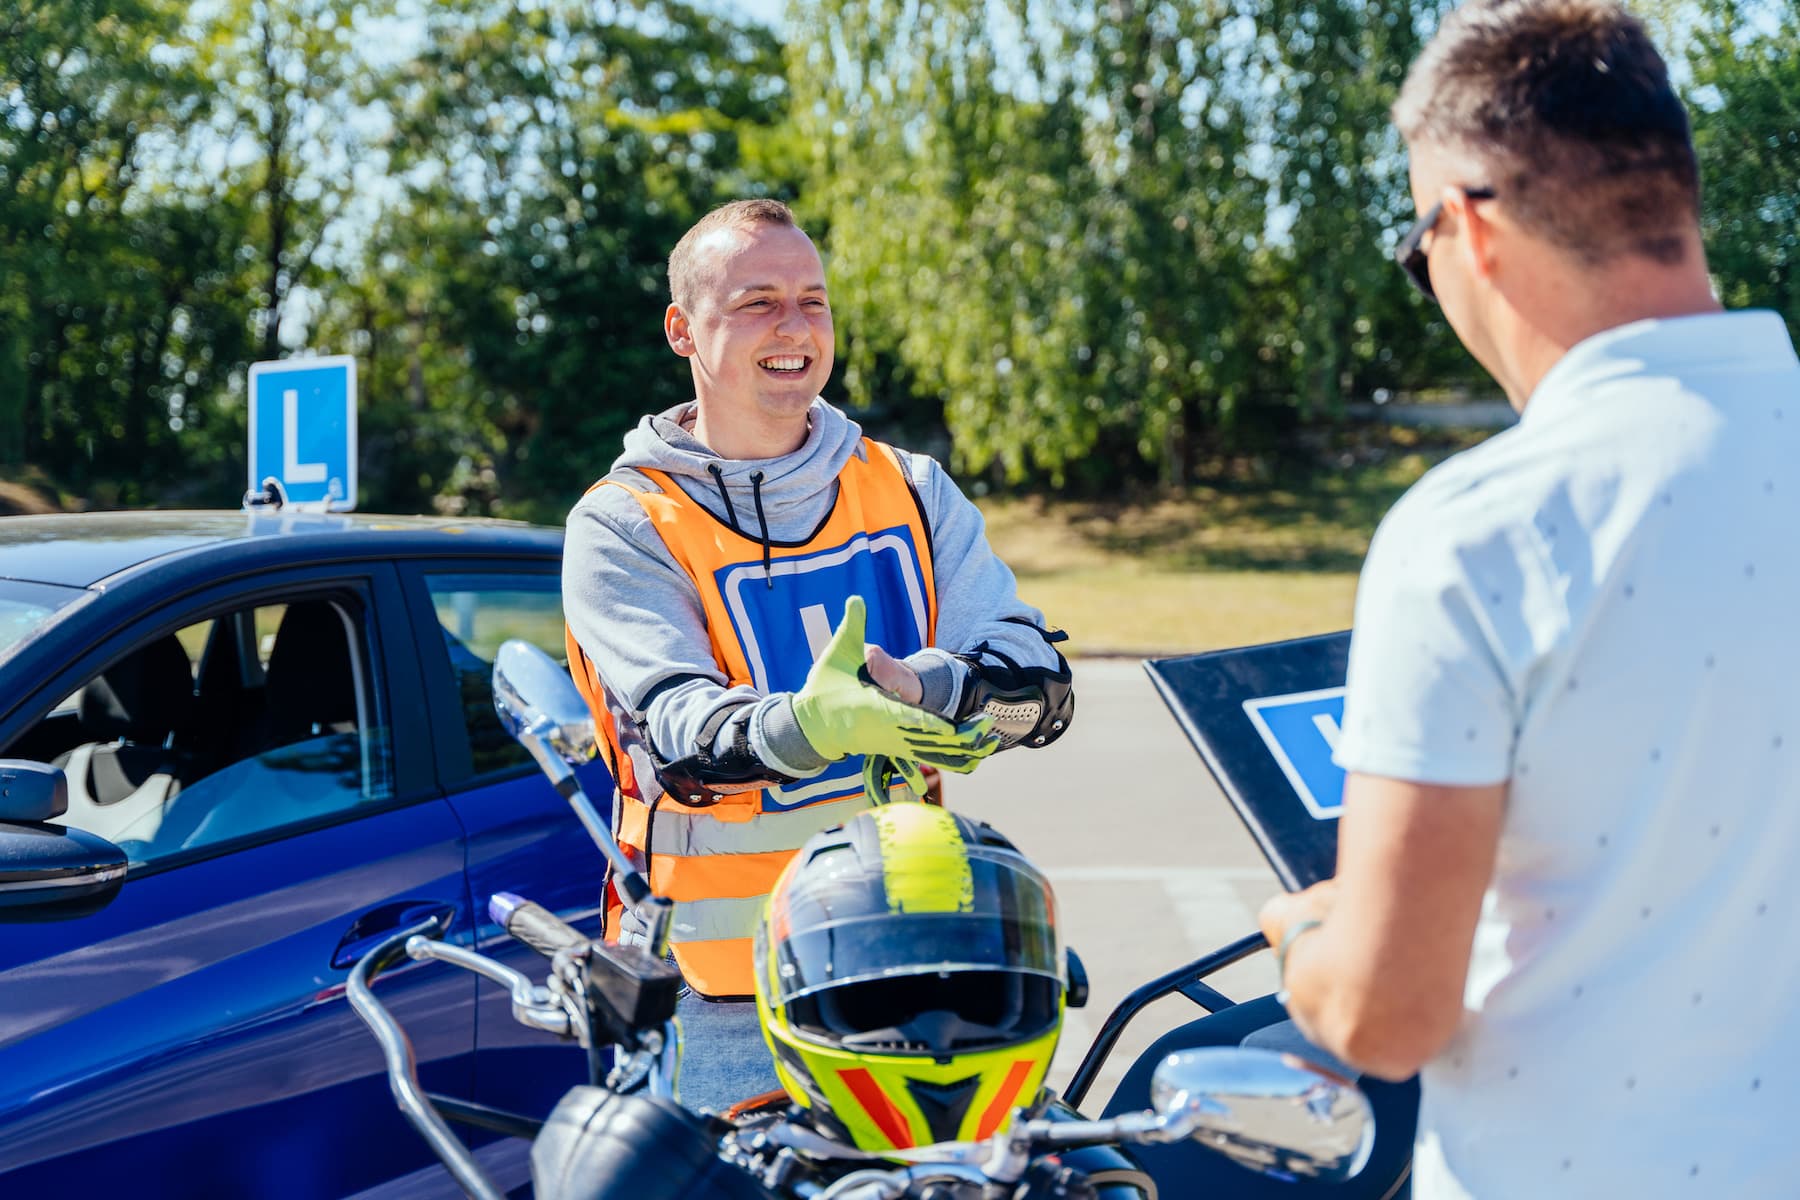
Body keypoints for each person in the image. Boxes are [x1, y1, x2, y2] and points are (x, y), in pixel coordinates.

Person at [1257, 0, 1800, 1195]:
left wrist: (1305, 934)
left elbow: (1389, 1015)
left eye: (1418, 246)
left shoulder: (1479, 535)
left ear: (1467, 226)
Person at [562, 198, 1074, 1113]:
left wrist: (945, 691)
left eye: (814, 300)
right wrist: (805, 726)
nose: (795, 326)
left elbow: (1040, 694)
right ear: (684, 329)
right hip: (721, 1002)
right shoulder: (624, 521)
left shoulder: (911, 488)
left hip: (914, 969)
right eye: (757, 301)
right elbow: (676, 735)